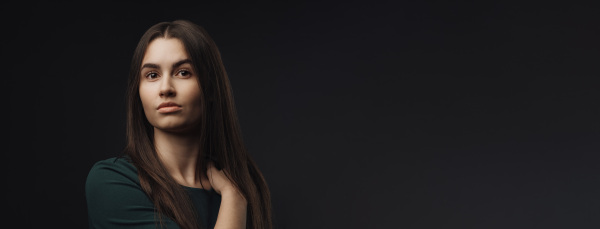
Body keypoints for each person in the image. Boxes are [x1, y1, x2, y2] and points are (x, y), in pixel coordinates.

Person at [85, 20, 272, 229]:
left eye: (183, 72)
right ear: (138, 92)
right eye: (152, 75)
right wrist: (233, 198)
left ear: (210, 88)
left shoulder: (246, 181)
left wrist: (234, 192)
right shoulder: (112, 182)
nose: (165, 88)